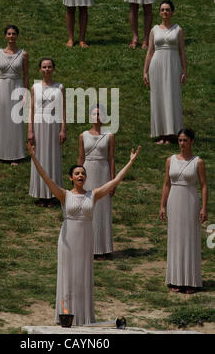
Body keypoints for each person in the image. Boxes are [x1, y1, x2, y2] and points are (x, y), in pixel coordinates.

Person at [27, 142, 141, 325]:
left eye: (83, 173)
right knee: (67, 276)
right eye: (77, 173)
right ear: (71, 177)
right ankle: (65, 315)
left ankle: (83, 316)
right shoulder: (64, 194)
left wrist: (130, 162)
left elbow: (115, 181)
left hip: (86, 239)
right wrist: (34, 157)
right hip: (68, 240)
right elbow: (46, 178)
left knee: (83, 276)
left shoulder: (93, 195)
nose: (81, 175)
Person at [159, 128, 208, 294]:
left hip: (190, 201)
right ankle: (176, 279)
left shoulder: (198, 162)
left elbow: (203, 185)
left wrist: (204, 207)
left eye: (185, 140)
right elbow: (167, 184)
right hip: (174, 201)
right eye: (180, 140)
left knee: (189, 239)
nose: (182, 143)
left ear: (192, 142)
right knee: (175, 239)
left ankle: (190, 281)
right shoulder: (169, 160)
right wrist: (162, 205)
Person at [143, 0, 186, 144]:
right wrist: (145, 71)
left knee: (172, 96)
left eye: (167, 9)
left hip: (173, 64)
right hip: (157, 65)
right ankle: (161, 134)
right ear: (159, 12)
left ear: (172, 12)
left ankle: (172, 132)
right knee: (158, 96)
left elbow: (181, 52)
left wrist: (184, 70)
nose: (165, 12)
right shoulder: (154, 30)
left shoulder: (178, 29)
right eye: (162, 10)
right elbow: (150, 51)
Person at [78, 105, 115, 259]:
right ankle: (87, 248)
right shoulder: (83, 136)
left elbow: (111, 158)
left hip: (103, 172)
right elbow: (80, 158)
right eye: (94, 113)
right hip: (88, 171)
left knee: (102, 210)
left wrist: (113, 181)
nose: (97, 116)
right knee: (88, 209)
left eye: (99, 114)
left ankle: (103, 248)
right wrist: (78, 179)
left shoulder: (109, 136)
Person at [28, 58, 66, 207]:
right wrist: (30, 130)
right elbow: (31, 110)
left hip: (54, 125)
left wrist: (63, 129)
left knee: (53, 157)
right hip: (38, 125)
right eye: (44, 67)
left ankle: (53, 195)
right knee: (39, 157)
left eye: (49, 67)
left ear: (53, 69)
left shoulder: (59, 87)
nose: (47, 69)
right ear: (39, 69)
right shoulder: (34, 87)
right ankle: (41, 194)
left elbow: (63, 109)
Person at [0, 25, 28, 165]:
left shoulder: (23, 54)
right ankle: (1, 153)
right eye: (9, 34)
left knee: (16, 121)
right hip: (3, 87)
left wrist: (25, 93)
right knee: (2, 120)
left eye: (14, 34)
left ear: (17, 36)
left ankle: (15, 155)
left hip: (17, 86)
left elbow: (26, 75)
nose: (11, 36)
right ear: (5, 36)